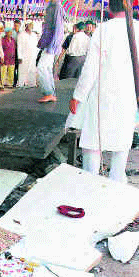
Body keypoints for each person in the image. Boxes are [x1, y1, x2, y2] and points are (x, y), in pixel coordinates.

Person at [67, 0, 139, 183]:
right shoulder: (137, 29)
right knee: (121, 142)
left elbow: (90, 68)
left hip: (103, 95)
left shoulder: (103, 30)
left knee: (93, 141)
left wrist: (78, 95)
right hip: (128, 96)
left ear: (109, 8)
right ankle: (117, 182)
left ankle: (90, 182)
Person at [36, 0, 64, 103]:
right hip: (49, 43)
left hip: (51, 44)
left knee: (42, 68)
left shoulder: (56, 6)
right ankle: (50, 93)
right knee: (46, 68)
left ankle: (48, 93)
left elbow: (58, 28)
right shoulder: (51, 6)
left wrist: (53, 45)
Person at [17, 21, 38, 88]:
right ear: (26, 25)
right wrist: (19, 56)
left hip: (33, 55)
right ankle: (21, 84)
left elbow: (36, 45)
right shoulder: (21, 34)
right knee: (23, 70)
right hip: (24, 56)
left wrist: (36, 55)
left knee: (32, 70)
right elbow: (19, 46)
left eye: (32, 25)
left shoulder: (34, 35)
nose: (31, 26)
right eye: (30, 25)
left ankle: (32, 84)